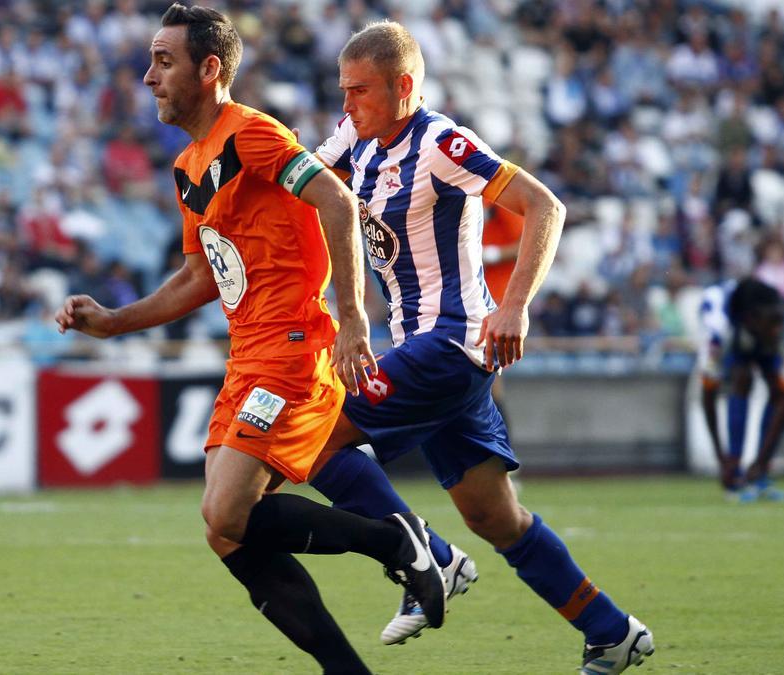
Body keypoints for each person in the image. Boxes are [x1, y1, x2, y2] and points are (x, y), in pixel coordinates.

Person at [54, 6, 445, 672]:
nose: (149, 77)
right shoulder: (189, 168)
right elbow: (199, 277)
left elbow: (336, 200)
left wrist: (352, 316)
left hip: (294, 344)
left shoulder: (251, 137)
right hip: (249, 355)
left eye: (164, 62)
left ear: (210, 70)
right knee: (224, 530)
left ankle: (395, 540)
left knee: (226, 507)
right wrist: (115, 321)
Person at [303, 21, 653, 673]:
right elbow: (307, 179)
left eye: (360, 91)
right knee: (495, 516)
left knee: (314, 434)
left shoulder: (441, 142)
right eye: (342, 90)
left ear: (403, 86)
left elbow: (544, 206)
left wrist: (515, 304)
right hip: (424, 349)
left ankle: (426, 555)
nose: (346, 104)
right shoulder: (360, 136)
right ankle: (611, 630)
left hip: (452, 342)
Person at [698, 277, 784, 502]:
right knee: (742, 378)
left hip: (751, 332)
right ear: (752, 319)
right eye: (772, 323)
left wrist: (761, 461)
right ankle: (735, 465)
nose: (777, 330)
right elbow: (708, 395)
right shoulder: (716, 329)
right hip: (736, 337)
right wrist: (721, 459)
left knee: (778, 388)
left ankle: (759, 472)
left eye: (780, 322)